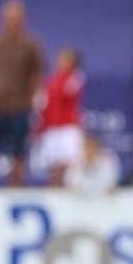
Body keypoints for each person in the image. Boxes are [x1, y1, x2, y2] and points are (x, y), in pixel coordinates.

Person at [0, 0, 45, 186]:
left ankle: (14, 190)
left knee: (19, 153)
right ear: (3, 19)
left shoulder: (30, 44)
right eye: (9, 18)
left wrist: (31, 98)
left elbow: (38, 73)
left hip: (21, 106)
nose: (12, 22)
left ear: (23, 20)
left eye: (17, 19)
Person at [38, 46, 87, 186]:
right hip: (51, 128)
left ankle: (70, 193)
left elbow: (68, 93)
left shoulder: (76, 77)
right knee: (53, 166)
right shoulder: (50, 81)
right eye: (60, 58)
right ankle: (54, 193)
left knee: (70, 165)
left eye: (65, 59)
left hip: (68, 128)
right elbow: (44, 104)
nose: (60, 61)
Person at [68, 132, 123, 196]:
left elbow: (109, 184)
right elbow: (72, 184)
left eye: (92, 147)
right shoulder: (76, 162)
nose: (89, 151)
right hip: (81, 200)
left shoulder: (108, 161)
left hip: (103, 200)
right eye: (87, 147)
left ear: (98, 148)